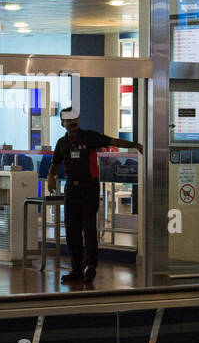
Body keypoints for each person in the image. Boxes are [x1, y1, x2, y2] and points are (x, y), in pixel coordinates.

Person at [46, 108, 143, 284]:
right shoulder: (62, 143)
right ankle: (76, 270)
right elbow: (55, 163)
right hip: (71, 190)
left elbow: (112, 140)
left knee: (89, 228)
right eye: (68, 120)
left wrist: (134, 145)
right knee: (71, 231)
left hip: (89, 189)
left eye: (74, 119)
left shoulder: (89, 136)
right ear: (63, 123)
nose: (72, 122)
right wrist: (50, 176)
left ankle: (90, 267)